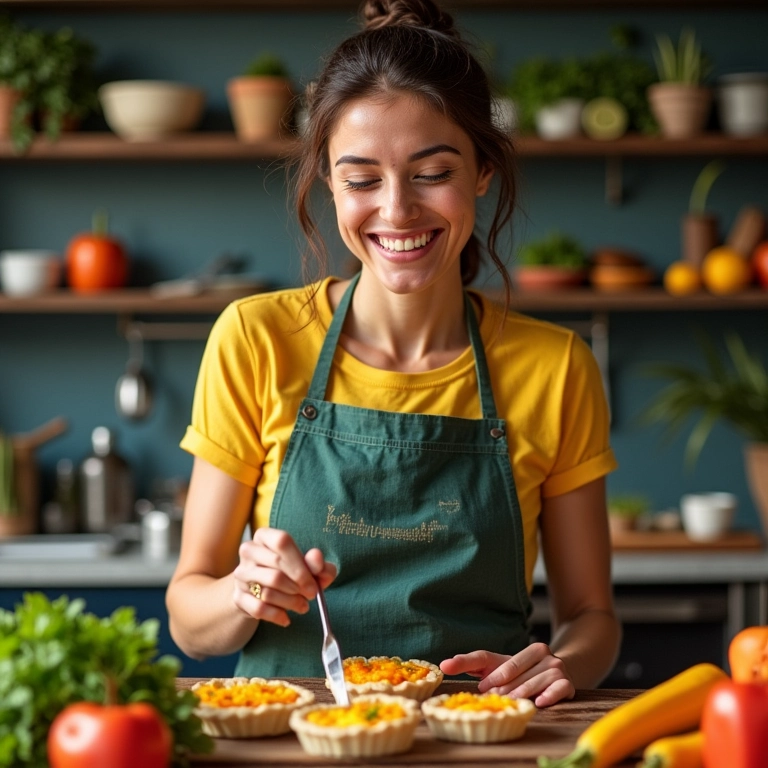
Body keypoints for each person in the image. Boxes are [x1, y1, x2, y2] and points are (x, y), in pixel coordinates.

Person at [166, 0, 620, 708]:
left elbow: (592, 617)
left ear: (482, 171)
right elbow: (192, 621)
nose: (398, 210)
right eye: (362, 178)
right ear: (328, 180)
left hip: (479, 736)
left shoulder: (555, 367)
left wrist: (564, 664)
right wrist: (245, 590)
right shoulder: (256, 339)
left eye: (431, 171)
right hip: (292, 742)